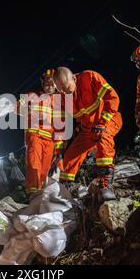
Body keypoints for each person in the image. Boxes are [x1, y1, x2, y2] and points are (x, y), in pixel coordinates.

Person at [51, 67, 122, 202]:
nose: (65, 93)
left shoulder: (89, 77)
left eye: (67, 88)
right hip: (87, 129)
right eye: (61, 90)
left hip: (108, 120)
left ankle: (106, 184)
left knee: (103, 139)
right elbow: (59, 126)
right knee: (71, 155)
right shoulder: (60, 98)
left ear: (74, 78)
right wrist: (58, 152)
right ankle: (66, 187)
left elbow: (112, 97)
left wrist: (102, 123)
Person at [17, 69, 65, 199]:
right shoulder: (31, 95)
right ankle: (32, 194)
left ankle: (40, 196)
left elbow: (60, 128)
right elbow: (17, 107)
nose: (50, 87)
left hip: (49, 140)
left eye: (52, 84)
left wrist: (59, 151)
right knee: (34, 164)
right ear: (42, 84)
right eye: (47, 84)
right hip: (35, 135)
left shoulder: (58, 103)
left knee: (44, 169)